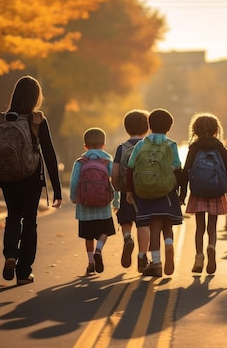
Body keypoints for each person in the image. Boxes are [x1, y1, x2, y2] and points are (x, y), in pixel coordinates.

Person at [0, 76, 62, 285]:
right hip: (31, 176)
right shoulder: (37, 120)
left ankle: (10, 254)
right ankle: (24, 272)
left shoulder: (1, 119)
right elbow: (50, 155)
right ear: (36, 97)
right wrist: (57, 191)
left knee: (13, 216)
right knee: (30, 221)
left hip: (7, 178)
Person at [179, 113, 227, 274]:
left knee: (199, 227)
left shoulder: (194, 148)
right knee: (212, 226)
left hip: (198, 191)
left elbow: (186, 173)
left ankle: (199, 255)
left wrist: (182, 195)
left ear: (195, 130)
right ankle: (211, 246)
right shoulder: (221, 149)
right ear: (215, 130)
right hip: (216, 191)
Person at [126, 109, 183, 277]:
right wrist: (180, 192)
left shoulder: (141, 144)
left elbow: (130, 168)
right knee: (167, 223)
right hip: (166, 191)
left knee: (155, 227)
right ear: (169, 127)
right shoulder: (171, 145)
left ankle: (156, 263)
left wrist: (129, 190)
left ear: (149, 126)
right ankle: (169, 243)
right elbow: (178, 168)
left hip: (145, 192)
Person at [70, 128, 116, 275]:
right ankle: (99, 249)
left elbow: (74, 182)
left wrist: (74, 197)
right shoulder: (107, 161)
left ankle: (90, 263)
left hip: (85, 207)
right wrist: (117, 201)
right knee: (105, 231)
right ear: (103, 145)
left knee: (88, 235)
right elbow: (114, 182)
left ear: (85, 146)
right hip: (104, 206)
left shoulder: (80, 162)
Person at [111, 109, 150, 271]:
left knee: (126, 219)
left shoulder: (122, 147)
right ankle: (142, 256)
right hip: (146, 190)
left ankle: (127, 237)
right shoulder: (149, 146)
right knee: (143, 223)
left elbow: (115, 172)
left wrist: (118, 187)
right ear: (147, 128)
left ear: (127, 128)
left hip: (127, 190)